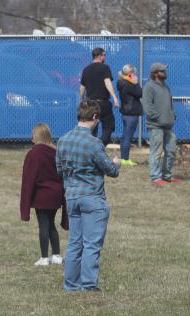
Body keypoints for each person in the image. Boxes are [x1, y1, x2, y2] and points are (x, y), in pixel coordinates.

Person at [56, 99, 121, 292]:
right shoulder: (94, 143)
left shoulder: (63, 140)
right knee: (92, 244)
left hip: (72, 198)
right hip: (92, 197)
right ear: (94, 117)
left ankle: (70, 284)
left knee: (75, 243)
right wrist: (116, 163)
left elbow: (59, 169)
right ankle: (88, 284)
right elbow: (111, 170)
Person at [21, 123, 68, 267]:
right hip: (56, 195)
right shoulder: (56, 152)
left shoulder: (33, 153)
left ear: (36, 136)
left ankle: (43, 257)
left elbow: (28, 179)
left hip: (41, 196)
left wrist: (25, 205)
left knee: (43, 225)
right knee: (51, 224)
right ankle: (56, 255)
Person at [143, 62, 179, 185]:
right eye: (162, 71)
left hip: (168, 125)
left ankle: (167, 175)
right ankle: (156, 177)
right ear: (155, 73)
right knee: (156, 152)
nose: (165, 73)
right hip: (155, 126)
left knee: (171, 150)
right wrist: (157, 117)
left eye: (164, 70)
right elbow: (147, 106)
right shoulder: (149, 86)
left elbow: (170, 104)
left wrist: (172, 115)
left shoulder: (166, 87)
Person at [78, 47, 120, 146]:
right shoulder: (105, 68)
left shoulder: (86, 69)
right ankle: (100, 145)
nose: (105, 57)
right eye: (104, 55)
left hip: (90, 103)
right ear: (100, 56)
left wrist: (82, 100)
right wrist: (114, 97)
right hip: (103, 102)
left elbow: (82, 88)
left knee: (91, 128)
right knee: (109, 127)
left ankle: (91, 149)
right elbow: (107, 82)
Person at [117, 65, 142, 167]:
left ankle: (123, 157)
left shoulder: (121, 82)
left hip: (125, 112)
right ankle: (125, 159)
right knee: (128, 136)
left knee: (125, 135)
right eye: (133, 73)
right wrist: (136, 83)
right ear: (130, 73)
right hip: (131, 113)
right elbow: (140, 93)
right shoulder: (129, 84)